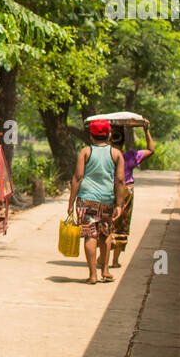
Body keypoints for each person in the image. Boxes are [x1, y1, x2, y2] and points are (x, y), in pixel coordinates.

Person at [67, 118, 125, 284]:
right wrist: (119, 204)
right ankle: (105, 270)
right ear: (109, 135)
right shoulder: (116, 154)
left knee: (89, 235)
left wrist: (71, 203)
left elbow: (77, 178)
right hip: (107, 200)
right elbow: (120, 180)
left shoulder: (86, 152)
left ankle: (92, 275)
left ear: (91, 136)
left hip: (87, 200)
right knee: (105, 234)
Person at [109, 123, 155, 267]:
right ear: (123, 140)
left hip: (106, 190)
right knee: (121, 223)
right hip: (126, 191)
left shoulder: (104, 156)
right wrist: (146, 130)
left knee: (105, 222)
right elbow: (150, 150)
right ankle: (115, 260)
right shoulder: (130, 157)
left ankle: (101, 257)